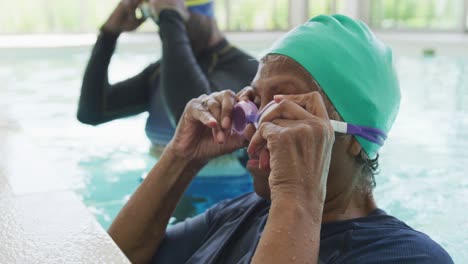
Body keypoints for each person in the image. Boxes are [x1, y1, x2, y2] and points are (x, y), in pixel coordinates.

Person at [108, 15, 454, 263]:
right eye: (255, 102)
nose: (254, 128)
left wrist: (298, 196)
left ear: (354, 139)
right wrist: (181, 157)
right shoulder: (240, 213)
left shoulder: (410, 256)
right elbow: (111, 258)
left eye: (284, 109)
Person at [77, 0, 258, 219]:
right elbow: (92, 112)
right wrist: (107, 35)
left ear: (203, 14)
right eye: (161, 21)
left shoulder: (247, 72)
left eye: (174, 20)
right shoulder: (161, 73)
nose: (166, 30)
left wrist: (170, 19)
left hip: (224, 202)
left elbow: (193, 117)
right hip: (167, 194)